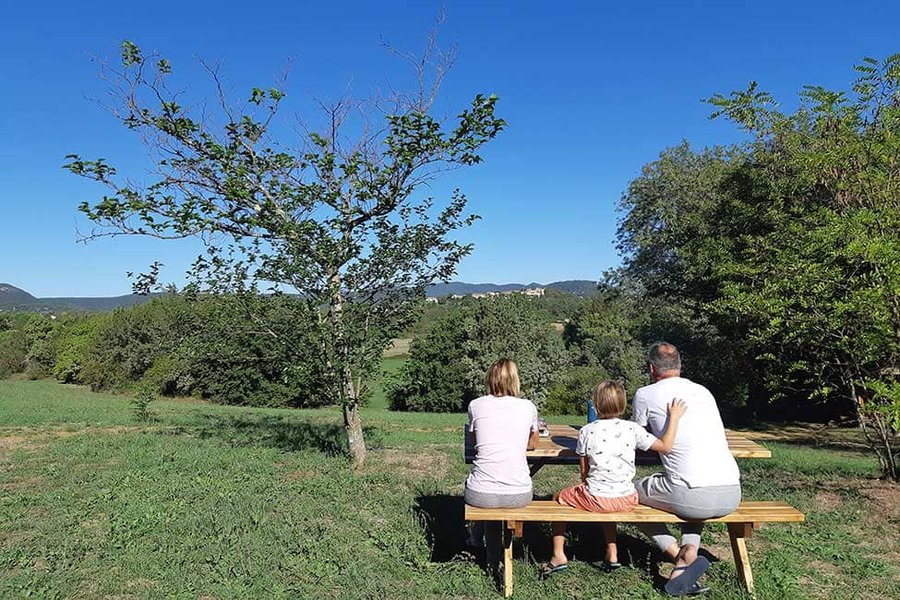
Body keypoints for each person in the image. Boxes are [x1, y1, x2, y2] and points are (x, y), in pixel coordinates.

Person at [542, 380, 687, 577]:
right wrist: (674, 418)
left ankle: (558, 554)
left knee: (558, 497)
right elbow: (666, 446)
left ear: (596, 404)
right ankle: (612, 552)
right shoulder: (632, 429)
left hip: (597, 498)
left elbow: (584, 473)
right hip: (627, 498)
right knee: (607, 495)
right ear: (622, 403)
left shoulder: (586, 431)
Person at [632, 342, 742, 596]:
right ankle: (690, 550)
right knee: (690, 484)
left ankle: (675, 553)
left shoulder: (646, 394)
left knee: (625, 495)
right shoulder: (703, 392)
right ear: (680, 366)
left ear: (652, 369)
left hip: (691, 496)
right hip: (731, 492)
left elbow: (635, 435)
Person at [465, 358, 540, 577]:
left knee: (487, 490)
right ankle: (492, 555)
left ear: (490, 378)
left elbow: (473, 440)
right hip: (519, 493)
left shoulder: (476, 405)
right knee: (497, 495)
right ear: (515, 380)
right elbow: (533, 444)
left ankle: (487, 553)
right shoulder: (528, 407)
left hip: (481, 493)